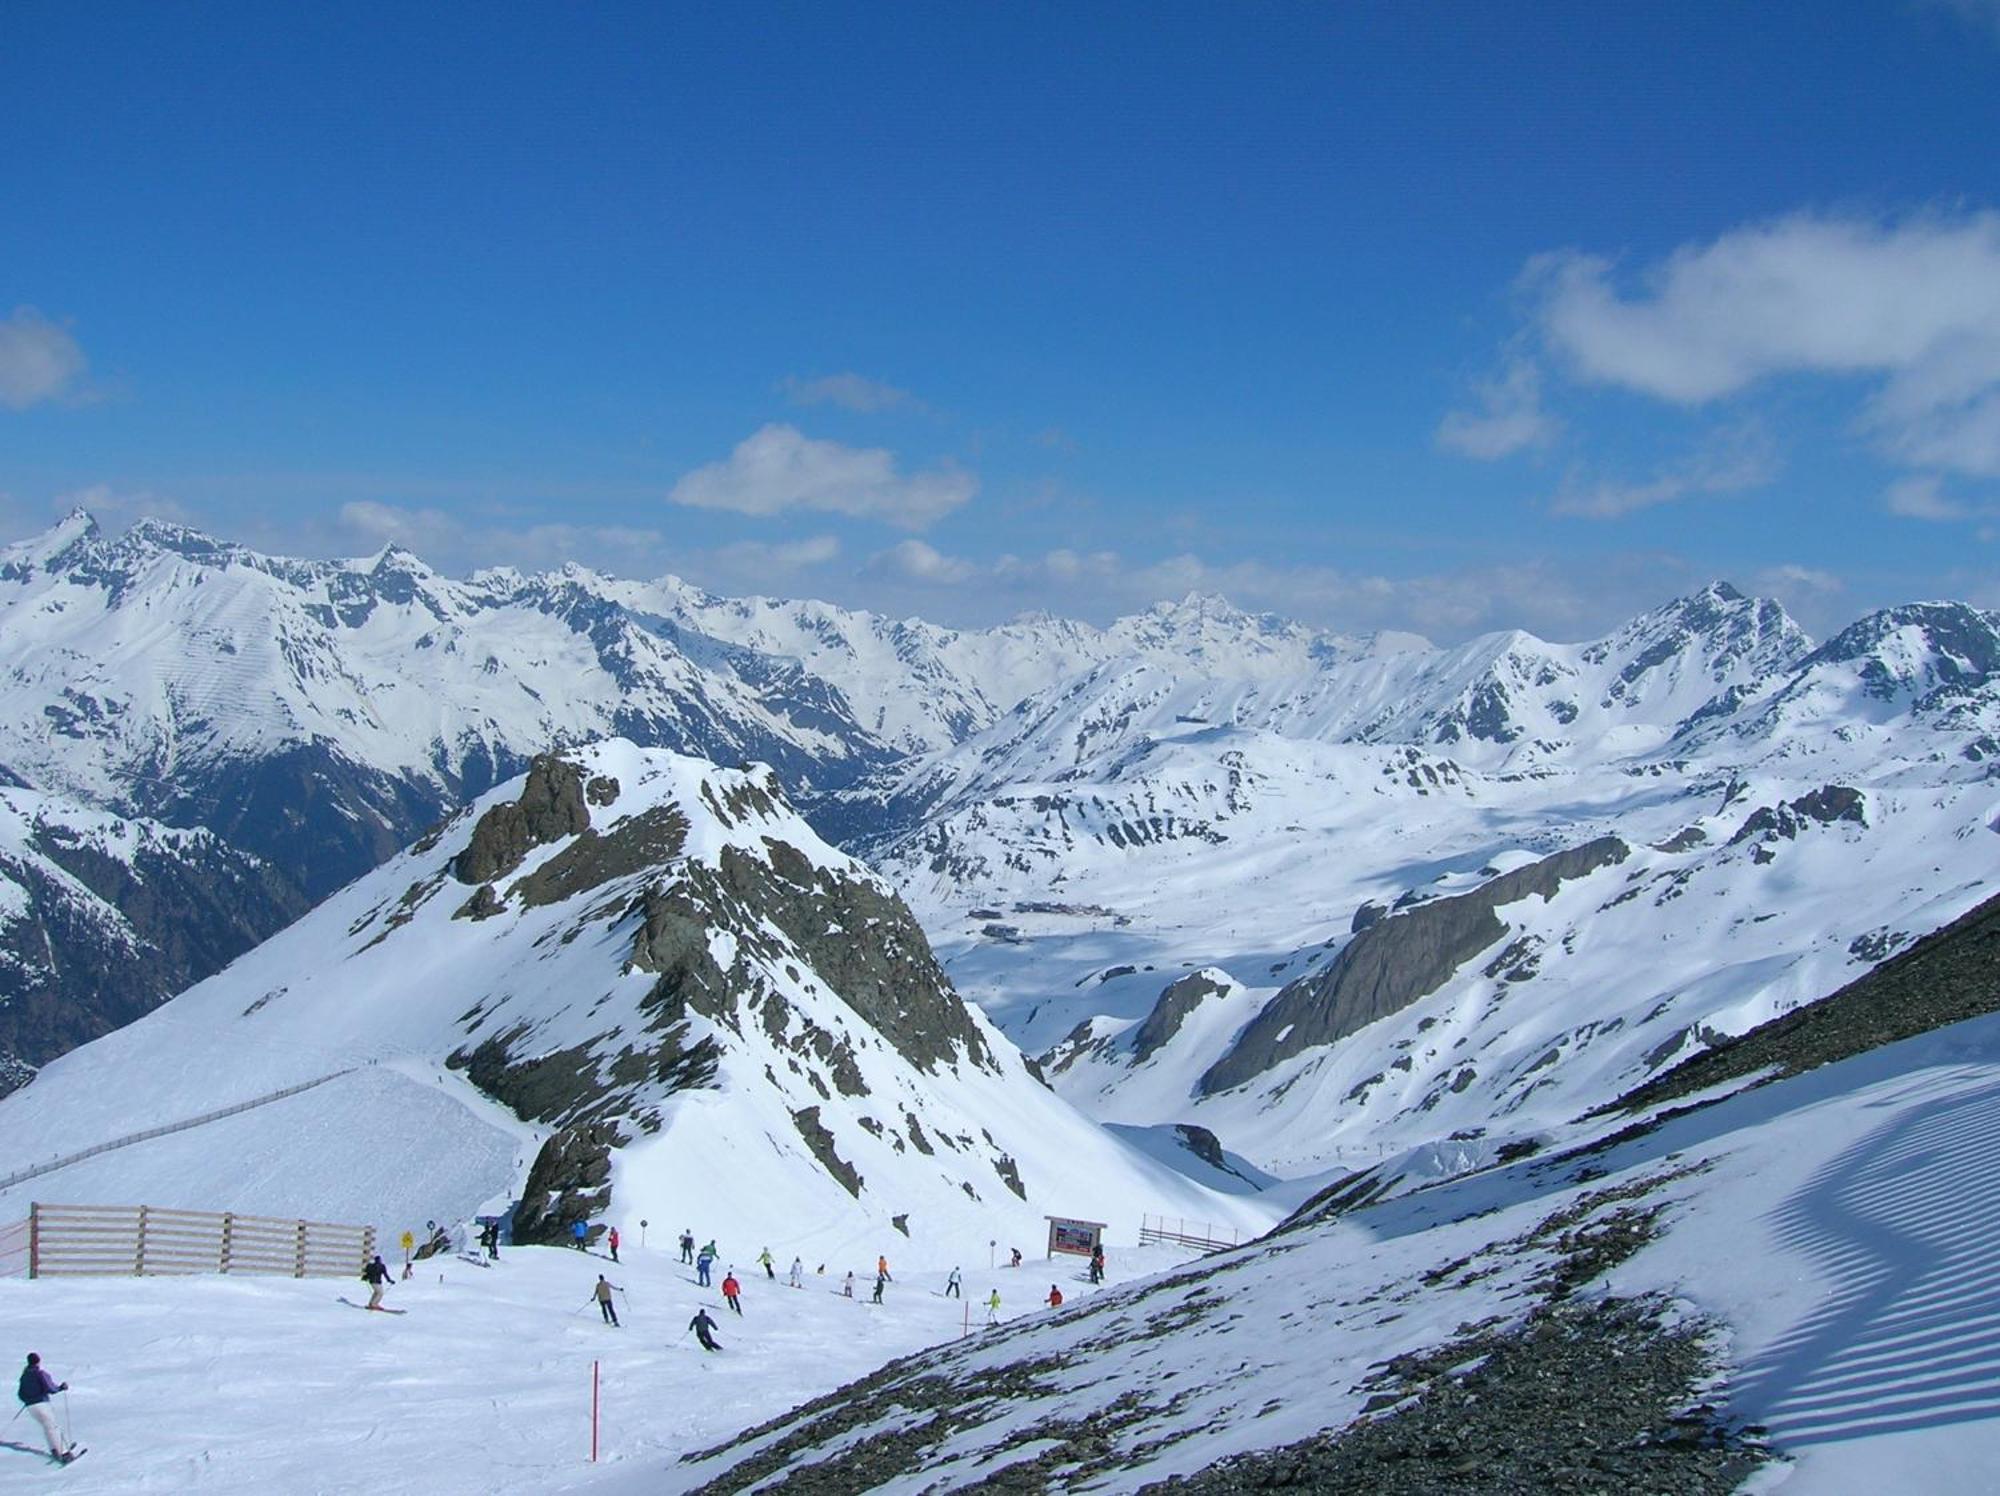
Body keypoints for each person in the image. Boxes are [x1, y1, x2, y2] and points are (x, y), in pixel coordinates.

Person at [16, 1353, 75, 1463]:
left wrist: (28, 1400)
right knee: (53, 1427)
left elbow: (20, 1394)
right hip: (42, 1405)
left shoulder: (24, 1376)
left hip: (31, 1407)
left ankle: (54, 1449)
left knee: (47, 1427)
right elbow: (50, 1388)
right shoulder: (40, 1373)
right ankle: (64, 1454)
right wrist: (61, 1388)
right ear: (38, 1361)